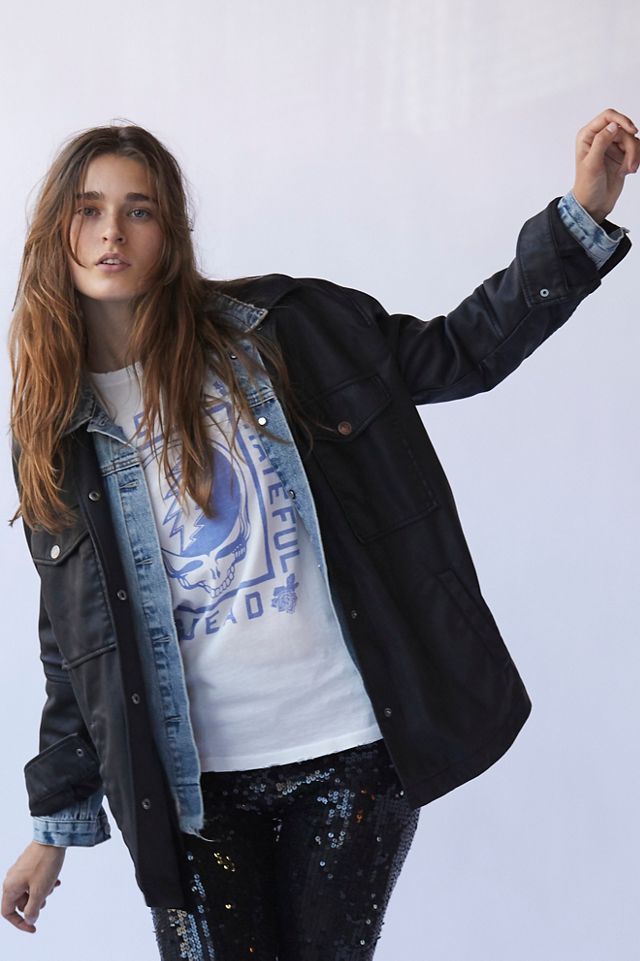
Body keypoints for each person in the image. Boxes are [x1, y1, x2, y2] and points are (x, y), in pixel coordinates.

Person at [1, 109, 637, 960]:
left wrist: (581, 215)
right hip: (192, 789)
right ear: (58, 231)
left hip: (349, 753)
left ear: (169, 231)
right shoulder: (56, 430)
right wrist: (54, 825)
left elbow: (459, 352)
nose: (112, 231)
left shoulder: (284, 332)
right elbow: (72, 644)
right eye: (88, 209)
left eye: (138, 209)